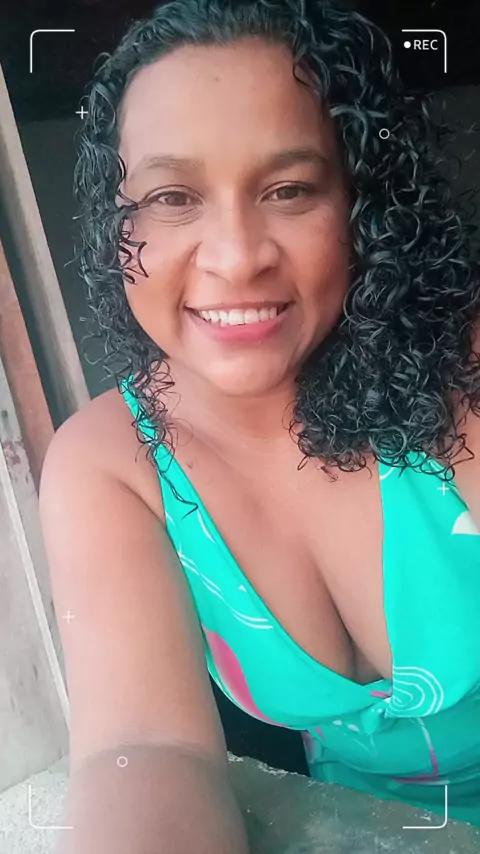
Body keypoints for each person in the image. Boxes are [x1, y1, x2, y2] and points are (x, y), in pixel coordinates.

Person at [39, 0, 480, 850]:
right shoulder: (112, 462)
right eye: (172, 197)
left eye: (289, 190)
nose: (237, 256)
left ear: (360, 205)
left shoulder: (464, 370)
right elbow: (145, 750)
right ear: (117, 227)